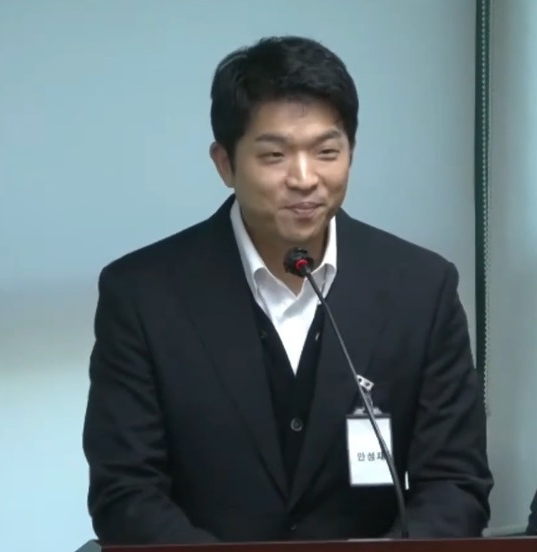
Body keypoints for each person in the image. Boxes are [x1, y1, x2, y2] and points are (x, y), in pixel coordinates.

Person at [82, 36, 492, 544]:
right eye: (274, 155)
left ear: (350, 153)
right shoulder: (142, 295)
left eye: (326, 152)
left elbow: (455, 483)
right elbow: (126, 494)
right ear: (225, 164)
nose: (304, 178)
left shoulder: (421, 288)